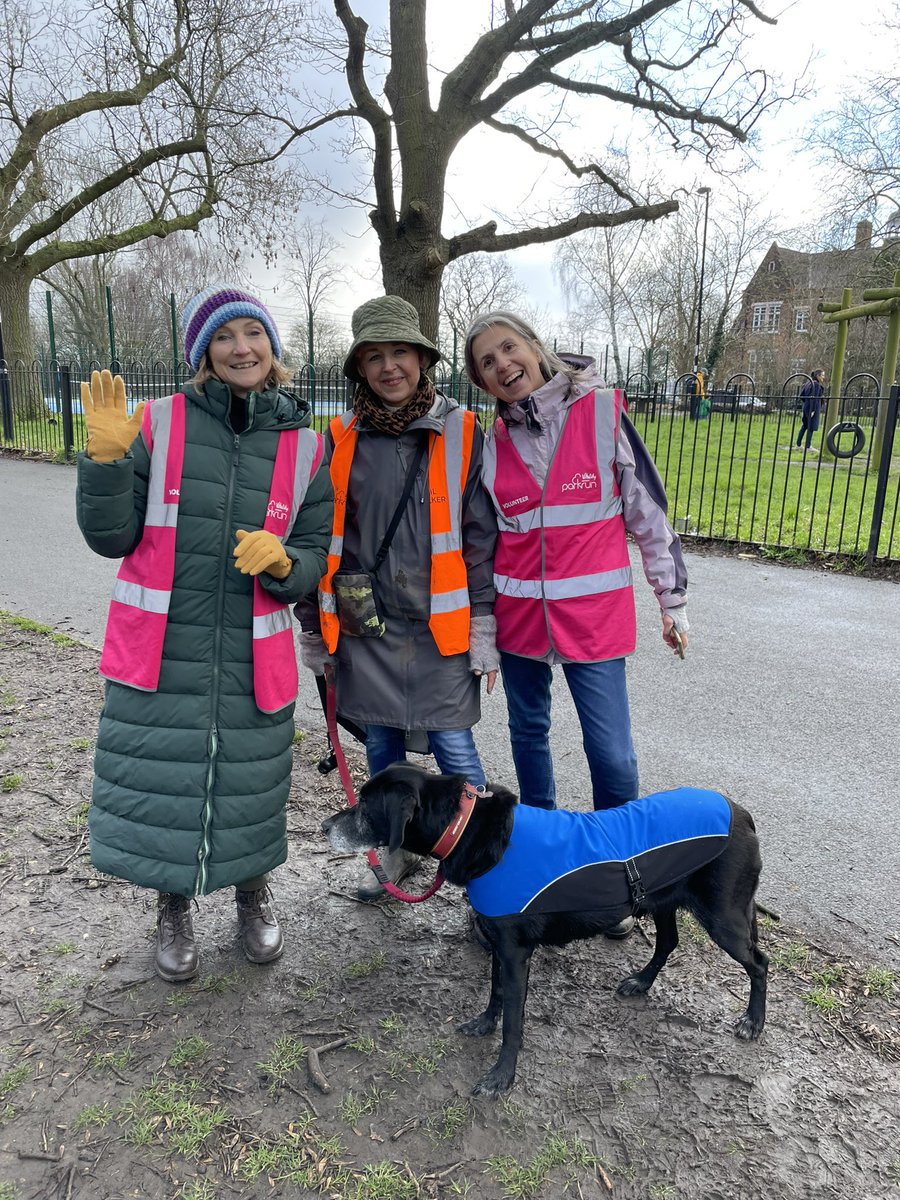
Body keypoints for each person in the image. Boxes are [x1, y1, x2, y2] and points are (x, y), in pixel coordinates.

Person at [75, 286, 333, 983]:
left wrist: (286, 564)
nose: (241, 347)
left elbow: (314, 552)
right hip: (164, 650)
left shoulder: (309, 445)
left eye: (253, 333)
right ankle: (174, 908)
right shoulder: (158, 424)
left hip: (254, 658)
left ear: (273, 349)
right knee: (172, 786)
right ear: (203, 353)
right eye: (224, 337)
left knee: (253, 787)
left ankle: (252, 897)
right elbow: (111, 536)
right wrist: (103, 464)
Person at [464, 311, 690, 937]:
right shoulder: (491, 444)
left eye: (508, 348)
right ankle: (543, 866)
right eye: (487, 362)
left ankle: (622, 880)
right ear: (482, 381)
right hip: (520, 626)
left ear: (534, 348)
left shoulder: (601, 411)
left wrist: (671, 600)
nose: (503, 365)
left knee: (610, 753)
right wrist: (483, 627)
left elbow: (647, 510)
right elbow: (483, 546)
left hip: (593, 622)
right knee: (529, 737)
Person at [296, 295, 498, 899]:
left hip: (442, 627)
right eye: (374, 357)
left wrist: (484, 624)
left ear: (421, 359)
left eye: (400, 353)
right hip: (368, 628)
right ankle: (396, 852)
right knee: (382, 748)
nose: (389, 367)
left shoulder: (462, 429)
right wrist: (314, 623)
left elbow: (481, 536)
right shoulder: (338, 437)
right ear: (359, 367)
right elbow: (318, 535)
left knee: (456, 751)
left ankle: (487, 873)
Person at [797, 369, 825, 453]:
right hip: (813, 408)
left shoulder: (808, 383)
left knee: (805, 426)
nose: (824, 377)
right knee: (810, 427)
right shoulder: (816, 385)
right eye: (822, 375)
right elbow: (814, 398)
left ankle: (798, 444)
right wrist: (812, 409)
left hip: (806, 407)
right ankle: (808, 446)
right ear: (818, 376)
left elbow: (802, 396)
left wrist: (806, 404)